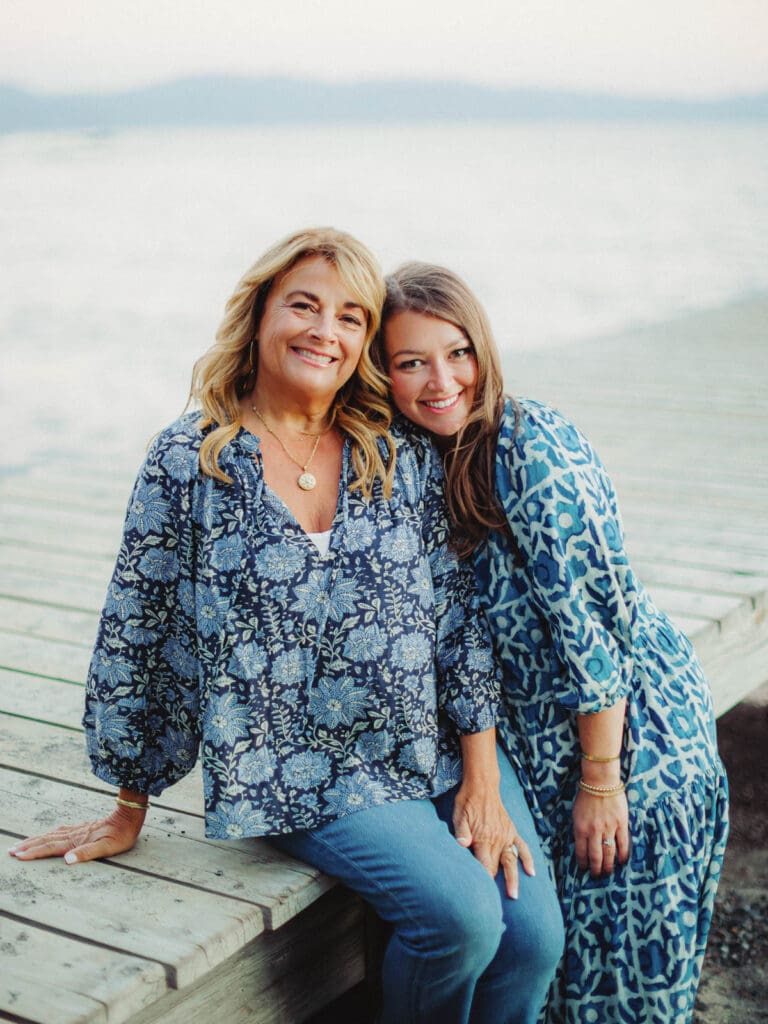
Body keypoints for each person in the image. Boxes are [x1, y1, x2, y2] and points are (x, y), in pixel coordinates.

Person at [8, 229, 564, 1024]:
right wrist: (131, 801)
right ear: (260, 313)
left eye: (350, 317)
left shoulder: (393, 449)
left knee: (533, 938)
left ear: (365, 341)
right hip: (299, 766)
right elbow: (144, 631)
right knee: (461, 922)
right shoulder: (189, 461)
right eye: (303, 305)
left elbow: (455, 615)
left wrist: (481, 774)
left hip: (434, 741)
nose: (324, 331)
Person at [376, 261, 729, 1024]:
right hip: (543, 747)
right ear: (385, 373)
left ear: (485, 352)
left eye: (458, 352)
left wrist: (602, 781)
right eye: (412, 362)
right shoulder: (427, 456)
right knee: (570, 977)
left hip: (629, 741)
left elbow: (592, 632)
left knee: (624, 987)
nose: (441, 380)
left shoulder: (529, 447)